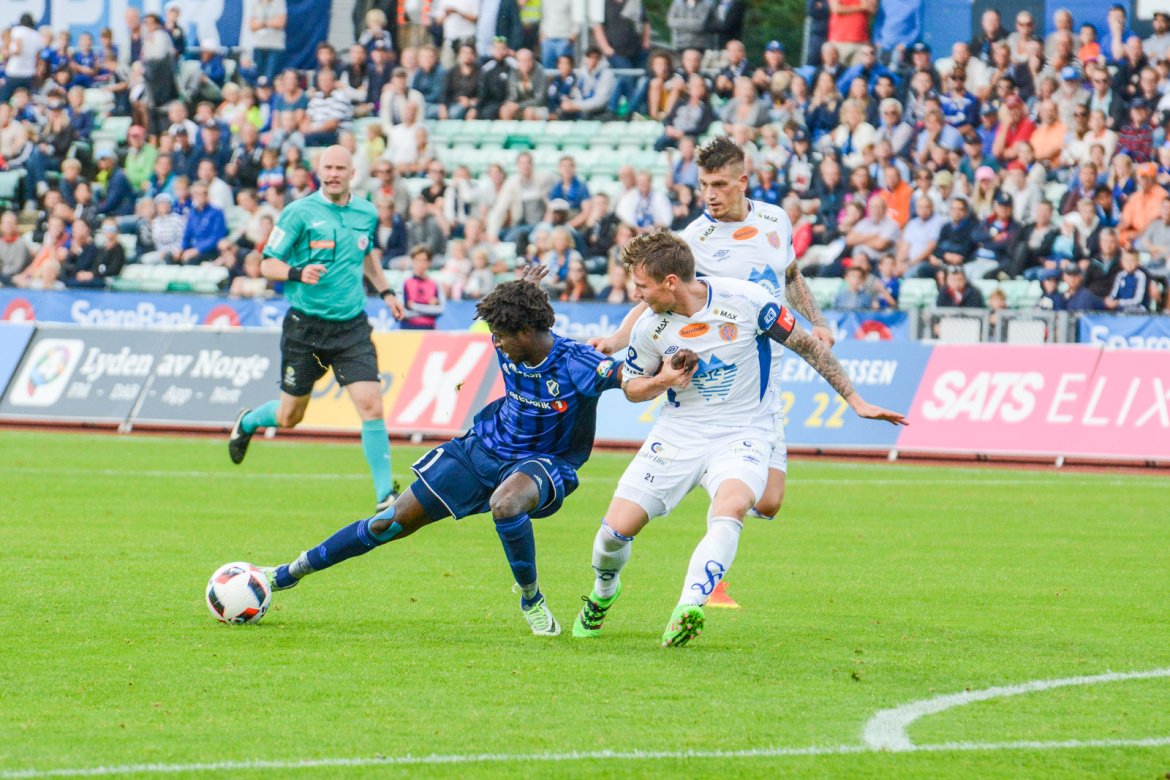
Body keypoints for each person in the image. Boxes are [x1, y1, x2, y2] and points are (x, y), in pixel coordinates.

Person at [571, 231, 906, 646]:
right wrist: (665, 379)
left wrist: (854, 399)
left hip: (744, 430)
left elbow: (806, 346)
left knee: (730, 508)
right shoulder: (648, 327)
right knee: (612, 536)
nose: (636, 294)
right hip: (679, 432)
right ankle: (604, 592)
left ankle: (688, 607)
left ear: (671, 282)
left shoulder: (746, 301)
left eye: (642, 286)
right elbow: (632, 386)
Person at [258, 277, 623, 637]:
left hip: (545, 460)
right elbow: (516, 304)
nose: (494, 341)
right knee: (387, 523)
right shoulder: (511, 341)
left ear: (527, 330)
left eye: (500, 334)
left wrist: (663, 375)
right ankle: (289, 572)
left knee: (507, 504)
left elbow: (628, 381)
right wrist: (523, 284)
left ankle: (531, 601)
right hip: (482, 448)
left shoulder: (578, 362)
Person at [228, 146, 405, 511]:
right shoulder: (299, 212)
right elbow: (266, 264)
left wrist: (386, 290)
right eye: (328, 167)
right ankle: (248, 422)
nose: (334, 173)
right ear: (318, 171)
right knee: (290, 417)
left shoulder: (366, 212)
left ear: (352, 171)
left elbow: (367, 254)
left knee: (371, 405)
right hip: (305, 327)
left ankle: (385, 496)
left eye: (341, 167)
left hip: (351, 326)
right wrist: (297, 273)